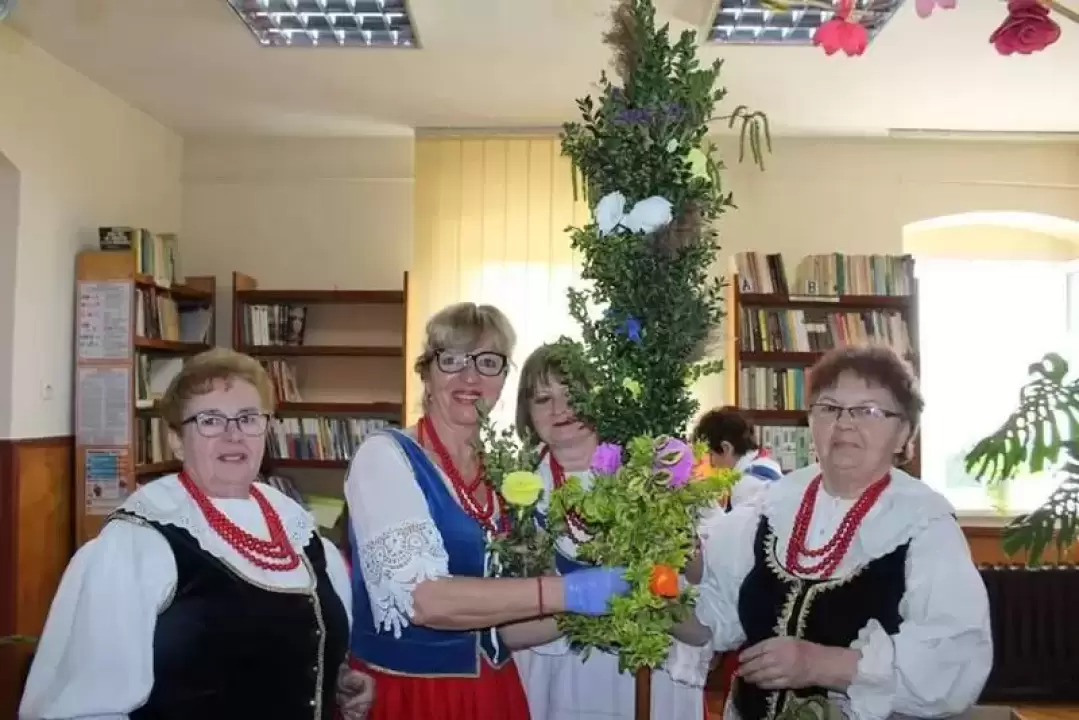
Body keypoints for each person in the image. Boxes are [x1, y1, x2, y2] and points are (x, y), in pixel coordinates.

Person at [19, 348, 374, 720]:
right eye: (210, 421)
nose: (233, 435)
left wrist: (336, 680)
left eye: (248, 418)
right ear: (176, 439)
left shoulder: (296, 527)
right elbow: (87, 707)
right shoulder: (139, 543)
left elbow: (292, 649)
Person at [344, 303, 631, 720]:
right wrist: (571, 592)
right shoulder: (386, 457)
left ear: (503, 379)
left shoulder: (506, 478)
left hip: (495, 692)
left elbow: (506, 629)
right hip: (413, 695)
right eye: (453, 360)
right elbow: (424, 600)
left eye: (488, 362)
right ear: (426, 371)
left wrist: (618, 604)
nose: (470, 377)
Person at [693, 345, 993, 720]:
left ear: (904, 433)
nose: (844, 423)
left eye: (868, 410)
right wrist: (655, 592)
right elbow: (718, 613)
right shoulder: (774, 504)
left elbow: (951, 663)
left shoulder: (924, 524)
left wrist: (819, 664)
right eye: (829, 407)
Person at [511, 344, 709, 720]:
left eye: (572, 393)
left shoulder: (651, 467)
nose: (560, 409)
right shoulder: (518, 489)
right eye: (543, 399)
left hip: (652, 668)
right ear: (527, 413)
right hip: (562, 674)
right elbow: (512, 616)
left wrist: (669, 517)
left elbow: (700, 579)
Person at [693, 407, 785, 508]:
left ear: (726, 448)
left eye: (711, 454)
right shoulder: (769, 465)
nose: (712, 464)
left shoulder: (745, 485)